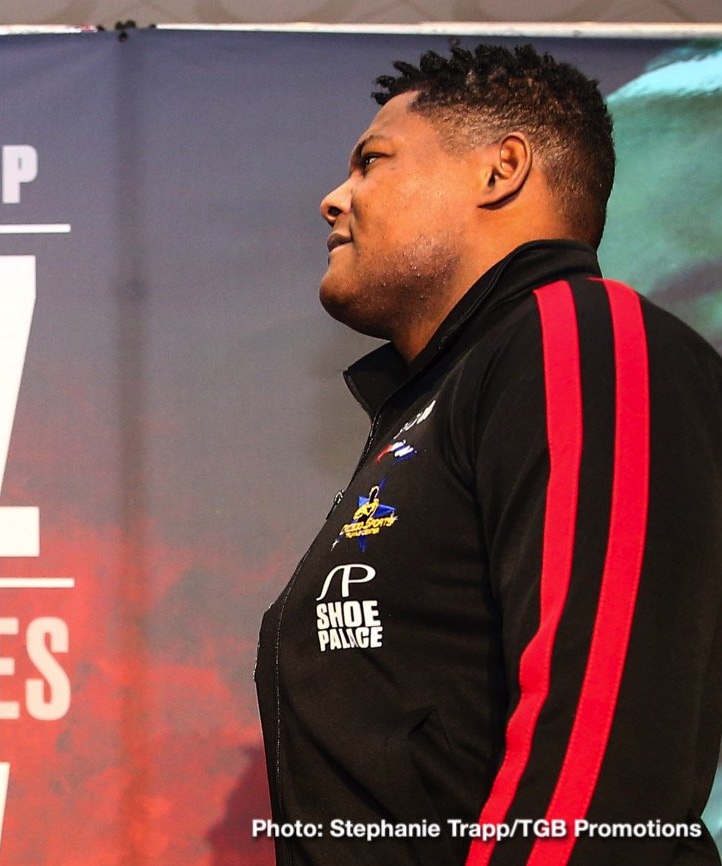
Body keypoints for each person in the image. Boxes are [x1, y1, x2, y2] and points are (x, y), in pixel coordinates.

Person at [255, 43, 722, 865]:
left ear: (501, 170)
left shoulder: (580, 335)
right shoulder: (439, 406)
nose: (334, 200)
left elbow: (605, 733)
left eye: (373, 162)